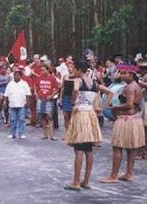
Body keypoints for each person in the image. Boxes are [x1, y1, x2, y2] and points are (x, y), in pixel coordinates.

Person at [64, 60, 109, 191]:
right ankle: (86, 181)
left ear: (79, 70)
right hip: (91, 116)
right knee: (89, 150)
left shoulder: (79, 80)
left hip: (80, 115)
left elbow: (76, 90)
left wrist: (73, 103)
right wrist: (102, 108)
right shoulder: (94, 82)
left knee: (78, 150)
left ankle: (76, 182)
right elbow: (110, 93)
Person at [101, 64, 146, 183]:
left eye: (124, 73)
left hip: (126, 120)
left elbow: (129, 105)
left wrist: (114, 107)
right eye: (120, 72)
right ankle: (129, 173)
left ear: (131, 74)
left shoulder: (129, 88)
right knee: (131, 148)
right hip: (135, 120)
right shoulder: (136, 86)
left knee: (117, 148)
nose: (121, 75)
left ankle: (113, 176)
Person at [4, 68, 31, 139]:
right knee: (13, 119)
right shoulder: (10, 84)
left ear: (20, 76)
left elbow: (28, 94)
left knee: (22, 119)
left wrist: (27, 102)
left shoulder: (24, 84)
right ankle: (12, 133)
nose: (16, 76)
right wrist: (5, 102)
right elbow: (6, 94)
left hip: (22, 104)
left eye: (18, 75)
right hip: (12, 104)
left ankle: (21, 133)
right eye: (15, 75)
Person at [34, 65, 60, 141]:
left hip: (48, 99)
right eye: (41, 70)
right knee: (43, 116)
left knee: (50, 117)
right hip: (41, 98)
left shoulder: (52, 78)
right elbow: (35, 85)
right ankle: (45, 134)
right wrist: (36, 93)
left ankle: (52, 135)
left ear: (48, 70)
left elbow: (57, 88)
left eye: (43, 70)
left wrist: (51, 95)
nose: (42, 72)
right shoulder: (40, 77)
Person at [60, 63, 75, 134]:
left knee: (72, 116)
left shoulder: (76, 77)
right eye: (69, 67)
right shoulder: (65, 76)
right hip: (65, 97)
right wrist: (60, 97)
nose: (70, 68)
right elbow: (62, 87)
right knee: (65, 116)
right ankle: (67, 133)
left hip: (73, 98)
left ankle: (72, 132)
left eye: (71, 67)